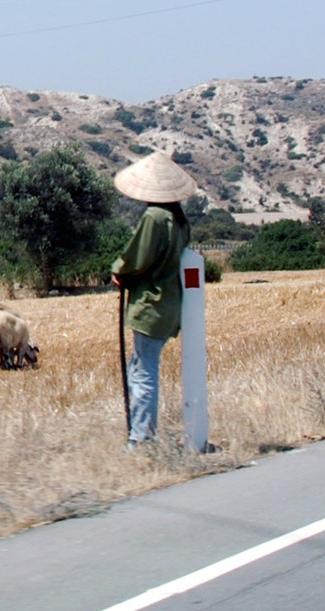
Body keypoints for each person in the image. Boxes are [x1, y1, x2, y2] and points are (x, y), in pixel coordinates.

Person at [110, 152, 195, 449]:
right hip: (171, 304)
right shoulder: (179, 221)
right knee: (140, 366)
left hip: (151, 304)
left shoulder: (154, 217)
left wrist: (119, 270)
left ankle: (141, 439)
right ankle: (143, 433)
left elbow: (138, 257)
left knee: (144, 372)